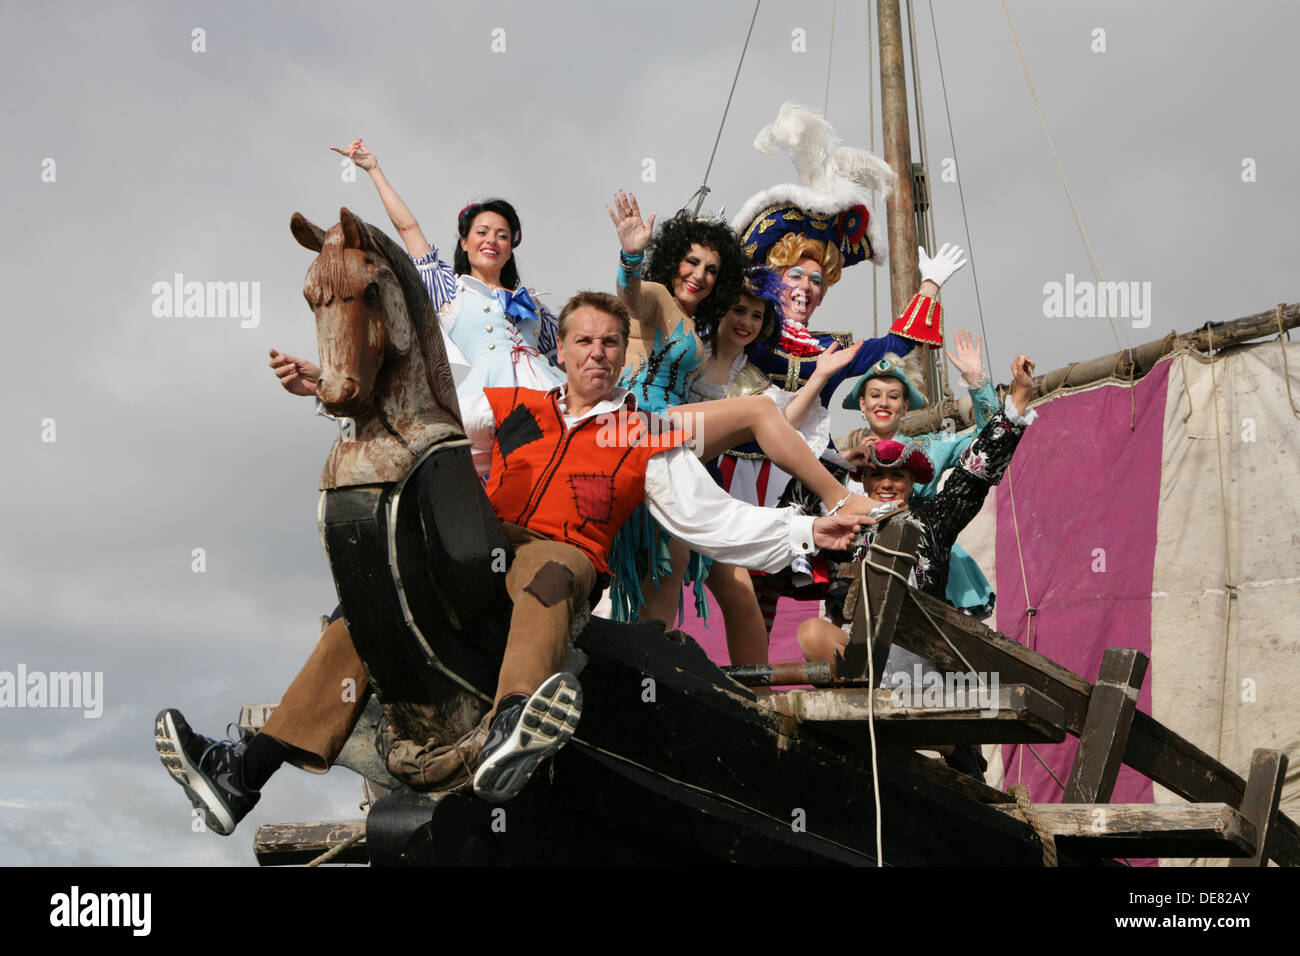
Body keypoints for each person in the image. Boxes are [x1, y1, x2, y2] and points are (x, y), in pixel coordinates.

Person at [155, 291, 871, 831]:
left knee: (552, 565)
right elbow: (417, 419)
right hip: (485, 559)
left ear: (624, 355)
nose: (598, 352)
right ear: (560, 350)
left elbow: (713, 523)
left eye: (611, 343)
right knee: (373, 617)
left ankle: (511, 728)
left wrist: (809, 532)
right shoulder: (515, 404)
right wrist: (330, 390)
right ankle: (240, 774)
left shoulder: (643, 434)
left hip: (561, 568)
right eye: (585, 340)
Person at [603, 193, 878, 625]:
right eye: (692, 262)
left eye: (712, 269)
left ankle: (644, 663)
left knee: (671, 569)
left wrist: (822, 381)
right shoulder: (656, 295)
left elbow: (777, 423)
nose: (700, 275)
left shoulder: (697, 328)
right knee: (758, 412)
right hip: (637, 425)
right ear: (673, 259)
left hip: (673, 443)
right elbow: (629, 294)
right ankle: (838, 499)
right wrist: (631, 255)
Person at [269, 139, 562, 473]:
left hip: (544, 395)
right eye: (482, 232)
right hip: (486, 402)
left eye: (502, 235)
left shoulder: (536, 307)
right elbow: (407, 228)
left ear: (511, 248)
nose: (491, 241)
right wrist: (373, 170)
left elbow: (570, 357)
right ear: (465, 243)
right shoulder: (450, 289)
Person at [796, 353, 1038, 662]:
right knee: (813, 634)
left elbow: (977, 467)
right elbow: (798, 503)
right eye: (877, 475)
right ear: (863, 483)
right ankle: (864, 693)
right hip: (872, 658)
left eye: (898, 475)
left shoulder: (934, 515)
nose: (886, 484)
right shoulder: (848, 530)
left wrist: (1015, 394)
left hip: (928, 645)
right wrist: (841, 459)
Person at [835, 329, 1000, 615]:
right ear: (862, 403)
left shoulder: (929, 448)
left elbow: (992, 441)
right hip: (860, 569)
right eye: (875, 395)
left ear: (905, 404)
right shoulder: (843, 462)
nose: (883, 403)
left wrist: (977, 382)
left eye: (893, 396)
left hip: (923, 565)